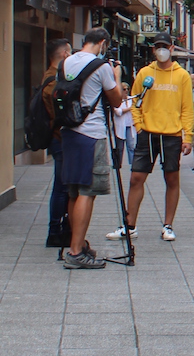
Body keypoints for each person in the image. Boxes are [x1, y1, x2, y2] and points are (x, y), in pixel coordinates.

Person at [117, 37, 194, 245]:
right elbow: (135, 101)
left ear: (171, 48)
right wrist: (139, 126)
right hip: (147, 134)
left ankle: (168, 225)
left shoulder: (182, 75)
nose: (161, 50)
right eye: (158, 47)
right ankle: (130, 226)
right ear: (153, 49)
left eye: (165, 47)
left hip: (172, 135)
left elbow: (187, 108)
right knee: (136, 178)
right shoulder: (145, 73)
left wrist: (187, 136)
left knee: (172, 179)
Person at [59, 28, 124, 270]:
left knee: (74, 191)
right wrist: (116, 76)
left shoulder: (66, 62)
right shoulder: (101, 66)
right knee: (87, 191)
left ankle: (76, 244)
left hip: (69, 131)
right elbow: (116, 100)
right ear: (103, 43)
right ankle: (76, 252)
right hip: (91, 133)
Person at [41, 37, 73, 249]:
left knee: (62, 186)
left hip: (58, 139)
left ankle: (58, 229)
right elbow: (58, 114)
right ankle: (55, 231)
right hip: (59, 139)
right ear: (64, 55)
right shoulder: (53, 81)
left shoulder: (51, 77)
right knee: (62, 187)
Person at [111, 64, 137, 173]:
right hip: (120, 126)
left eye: (127, 89)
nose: (126, 91)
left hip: (129, 125)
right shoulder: (116, 100)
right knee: (119, 147)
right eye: (123, 89)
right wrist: (130, 108)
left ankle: (133, 165)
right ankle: (118, 165)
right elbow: (118, 112)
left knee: (131, 146)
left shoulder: (131, 99)